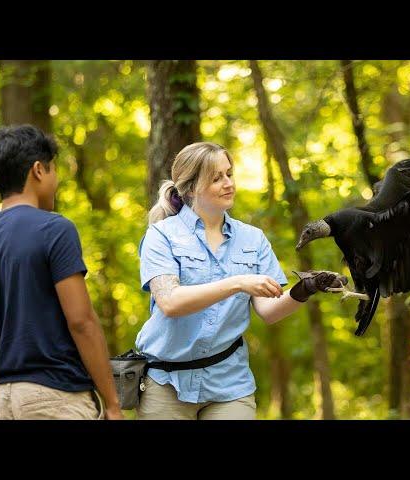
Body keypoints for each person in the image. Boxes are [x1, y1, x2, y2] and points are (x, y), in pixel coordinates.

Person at [136, 142, 345, 420]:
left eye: (229, 174)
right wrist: (237, 282)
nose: (228, 183)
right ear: (190, 187)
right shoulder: (161, 236)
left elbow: (269, 311)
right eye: (216, 178)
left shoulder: (253, 239)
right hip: (166, 383)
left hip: (229, 384)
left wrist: (306, 289)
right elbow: (170, 303)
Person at [0, 124, 123, 420]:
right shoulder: (55, 229)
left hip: (2, 401)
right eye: (54, 170)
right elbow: (81, 321)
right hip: (56, 398)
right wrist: (111, 403)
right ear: (38, 170)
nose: (56, 180)